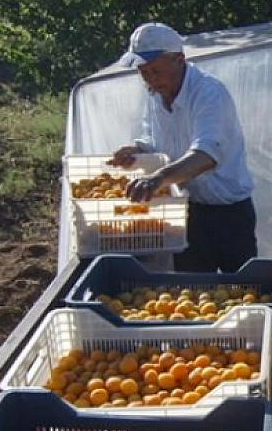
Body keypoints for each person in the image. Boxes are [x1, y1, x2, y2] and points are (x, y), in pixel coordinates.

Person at [109, 22, 258, 272]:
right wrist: (137, 150)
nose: (151, 80)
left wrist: (157, 179)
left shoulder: (208, 93)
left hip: (228, 214)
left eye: (156, 71)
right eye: (143, 72)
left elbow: (206, 156)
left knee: (242, 289)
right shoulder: (155, 94)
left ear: (179, 59)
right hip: (188, 210)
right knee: (193, 292)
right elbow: (157, 143)